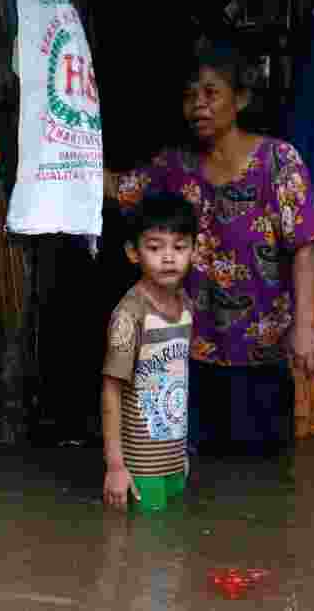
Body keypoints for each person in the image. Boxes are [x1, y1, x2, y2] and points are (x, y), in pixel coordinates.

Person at [104, 40, 314, 459]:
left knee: (262, 483)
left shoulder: (278, 162)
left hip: (261, 357)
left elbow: (304, 246)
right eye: (190, 95)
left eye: (211, 93)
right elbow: (120, 189)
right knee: (191, 471)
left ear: (240, 98)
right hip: (188, 354)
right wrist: (63, 157)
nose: (198, 105)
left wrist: (304, 327)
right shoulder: (174, 167)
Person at [103, 192, 197, 512]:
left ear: (193, 250)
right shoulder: (130, 315)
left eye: (179, 247)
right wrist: (116, 466)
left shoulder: (187, 306)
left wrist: (180, 451)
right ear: (133, 252)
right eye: (155, 248)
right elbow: (111, 389)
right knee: (146, 546)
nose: (168, 257)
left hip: (173, 457)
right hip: (139, 466)